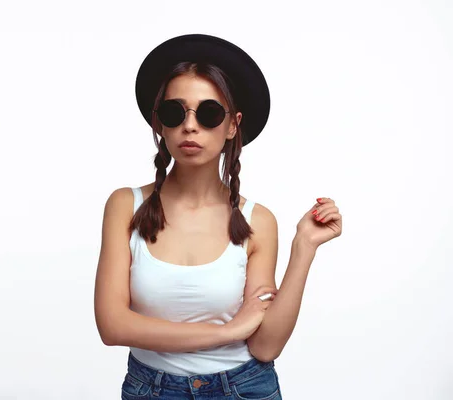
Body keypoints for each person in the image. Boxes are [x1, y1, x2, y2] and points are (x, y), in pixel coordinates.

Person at [94, 34, 343, 400]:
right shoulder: (124, 206)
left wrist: (304, 246)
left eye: (208, 113)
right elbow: (112, 326)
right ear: (160, 122)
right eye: (175, 112)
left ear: (232, 125)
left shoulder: (258, 220)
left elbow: (264, 346)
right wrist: (225, 332)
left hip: (243, 388)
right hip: (151, 390)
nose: (190, 126)